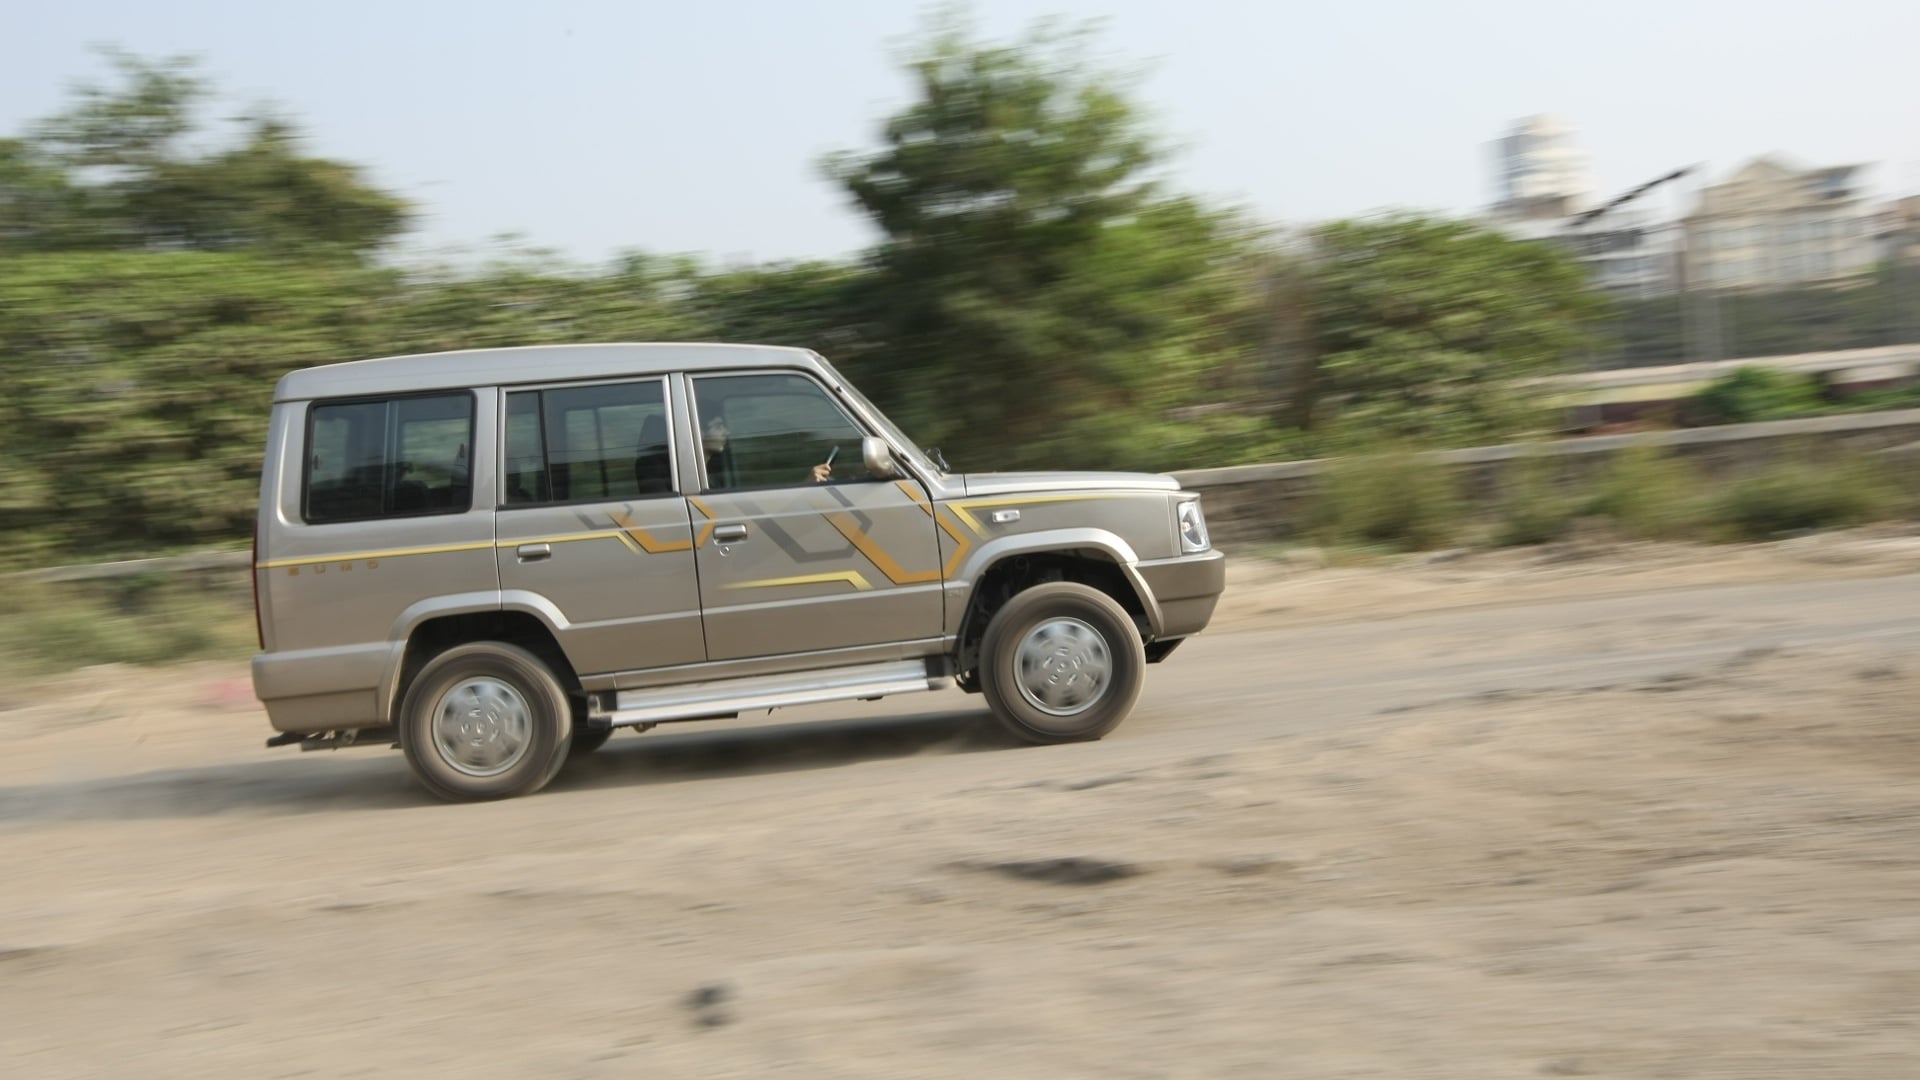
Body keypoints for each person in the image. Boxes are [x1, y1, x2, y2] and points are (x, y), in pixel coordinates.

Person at [702, 415, 833, 486]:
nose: (727, 432)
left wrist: (806, 484)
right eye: (718, 426)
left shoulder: (719, 475)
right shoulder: (704, 480)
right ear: (699, 432)